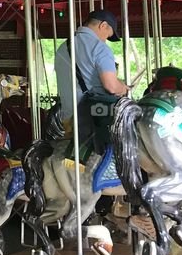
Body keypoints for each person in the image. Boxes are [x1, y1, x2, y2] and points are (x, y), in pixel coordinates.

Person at [54, 10, 130, 154]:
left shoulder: (63, 47)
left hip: (68, 117)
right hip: (94, 115)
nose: (105, 40)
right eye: (107, 35)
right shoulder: (100, 48)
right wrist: (124, 88)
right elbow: (111, 87)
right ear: (103, 26)